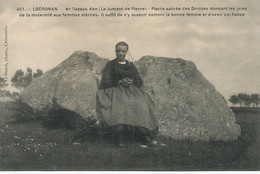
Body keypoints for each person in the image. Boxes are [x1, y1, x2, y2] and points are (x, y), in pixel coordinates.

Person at [96, 41, 158, 147]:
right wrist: (119, 82)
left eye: (123, 51)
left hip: (130, 89)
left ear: (126, 52)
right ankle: (119, 137)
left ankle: (144, 135)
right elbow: (105, 81)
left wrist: (131, 82)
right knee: (121, 102)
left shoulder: (130, 65)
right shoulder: (111, 64)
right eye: (119, 51)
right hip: (115, 89)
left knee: (141, 102)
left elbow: (139, 81)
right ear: (115, 51)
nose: (121, 53)